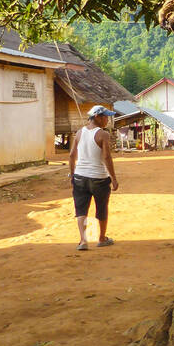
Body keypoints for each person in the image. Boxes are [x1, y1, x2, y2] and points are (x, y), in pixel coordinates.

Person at [69, 104, 119, 251]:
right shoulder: (103, 134)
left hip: (80, 177)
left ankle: (83, 241)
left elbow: (72, 155)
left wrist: (72, 175)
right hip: (99, 178)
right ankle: (102, 238)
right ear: (97, 117)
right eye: (106, 117)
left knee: (81, 210)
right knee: (101, 208)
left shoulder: (79, 133)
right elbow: (107, 157)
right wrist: (114, 178)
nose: (108, 121)